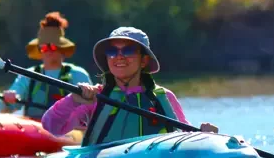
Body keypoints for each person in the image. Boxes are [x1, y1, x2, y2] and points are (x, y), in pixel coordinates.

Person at [41, 26, 219, 146]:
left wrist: (204, 136)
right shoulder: (95, 99)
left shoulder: (164, 97)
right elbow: (51, 126)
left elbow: (184, 136)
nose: (119, 57)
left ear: (144, 60)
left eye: (128, 51)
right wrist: (73, 100)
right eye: (112, 51)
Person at [0, 12, 92, 121]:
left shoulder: (78, 75)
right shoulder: (28, 75)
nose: (49, 51)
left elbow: (92, 109)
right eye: (44, 48)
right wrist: (7, 100)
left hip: (68, 130)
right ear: (40, 50)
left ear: (62, 49)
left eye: (53, 47)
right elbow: (0, 109)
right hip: (36, 131)